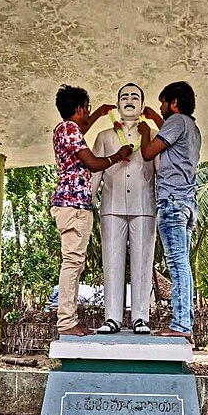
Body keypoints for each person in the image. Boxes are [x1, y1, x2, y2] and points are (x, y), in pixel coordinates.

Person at [51, 84, 132, 337]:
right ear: (78, 108)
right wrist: (117, 156)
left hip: (69, 205)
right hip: (73, 205)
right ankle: (66, 321)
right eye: (86, 107)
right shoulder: (70, 129)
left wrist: (97, 113)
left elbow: (82, 129)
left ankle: (68, 319)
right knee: (73, 263)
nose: (88, 112)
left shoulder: (64, 129)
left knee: (73, 262)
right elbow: (92, 163)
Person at [91, 83, 159, 335]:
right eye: (124, 97)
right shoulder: (105, 136)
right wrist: (86, 201)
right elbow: (96, 171)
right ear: (117, 105)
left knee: (143, 262)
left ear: (142, 105)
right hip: (112, 204)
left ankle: (141, 317)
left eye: (135, 97)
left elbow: (161, 171)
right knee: (112, 261)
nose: (129, 100)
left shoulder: (151, 135)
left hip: (144, 206)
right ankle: (112, 318)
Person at [138, 81, 201, 339]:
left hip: (172, 202)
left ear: (174, 103)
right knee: (182, 264)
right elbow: (171, 137)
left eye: (163, 102)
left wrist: (145, 132)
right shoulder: (191, 127)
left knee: (177, 265)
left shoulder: (177, 121)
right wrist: (153, 116)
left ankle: (181, 325)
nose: (161, 107)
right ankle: (185, 321)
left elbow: (148, 153)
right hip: (186, 203)